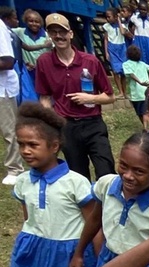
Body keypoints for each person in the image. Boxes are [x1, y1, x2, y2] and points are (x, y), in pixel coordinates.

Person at [8, 103, 98, 267]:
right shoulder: (22, 182)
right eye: (21, 145)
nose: (26, 151)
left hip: (67, 251)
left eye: (33, 145)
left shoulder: (75, 183)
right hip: (32, 248)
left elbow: (93, 223)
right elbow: (29, 218)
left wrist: (93, 259)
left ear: (54, 146)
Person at [72, 132, 149, 267]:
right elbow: (94, 219)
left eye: (139, 171)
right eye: (123, 166)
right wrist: (79, 253)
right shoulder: (106, 185)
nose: (128, 176)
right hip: (109, 263)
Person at [33, 13, 114, 180]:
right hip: (67, 126)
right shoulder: (44, 62)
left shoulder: (90, 61)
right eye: (53, 32)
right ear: (49, 35)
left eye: (62, 31)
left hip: (93, 123)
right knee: (78, 176)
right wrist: (51, 123)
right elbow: (45, 97)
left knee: (106, 172)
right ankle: (86, 205)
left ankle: (109, 204)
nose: (58, 36)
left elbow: (110, 96)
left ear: (70, 34)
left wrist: (90, 99)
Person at [12, 9, 50, 104]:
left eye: (37, 22)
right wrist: (24, 62)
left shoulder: (47, 36)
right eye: (31, 21)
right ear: (25, 21)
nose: (34, 24)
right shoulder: (19, 32)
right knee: (30, 96)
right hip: (28, 71)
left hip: (43, 71)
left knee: (45, 96)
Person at [121, 45, 149, 121]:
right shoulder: (143, 64)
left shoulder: (126, 64)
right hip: (148, 91)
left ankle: (146, 128)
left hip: (137, 93)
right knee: (147, 111)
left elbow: (131, 74)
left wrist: (140, 82)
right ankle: (148, 127)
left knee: (140, 113)